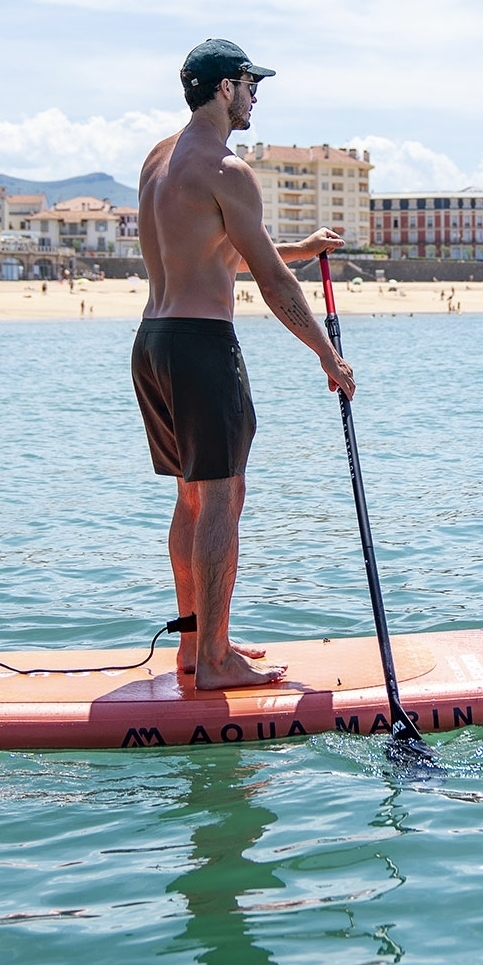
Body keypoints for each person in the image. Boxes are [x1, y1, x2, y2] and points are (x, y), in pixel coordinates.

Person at [134, 39, 355, 690]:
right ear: (225, 88)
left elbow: (214, 245)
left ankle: (197, 647)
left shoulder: (159, 160)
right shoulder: (229, 168)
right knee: (224, 498)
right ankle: (215, 662)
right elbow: (274, 284)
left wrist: (298, 244)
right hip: (202, 347)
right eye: (251, 84)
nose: (256, 96)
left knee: (192, 498)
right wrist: (330, 357)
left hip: (153, 342)